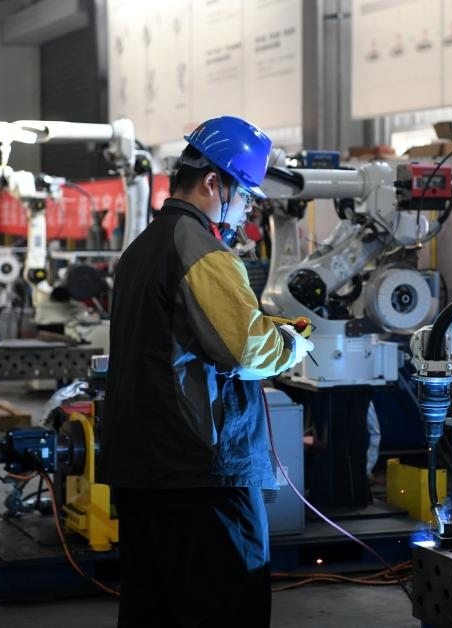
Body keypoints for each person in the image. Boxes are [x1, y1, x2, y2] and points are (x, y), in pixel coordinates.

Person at [102, 116, 313, 627]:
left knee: (153, 610)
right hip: (201, 475)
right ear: (213, 182)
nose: (245, 212)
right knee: (227, 606)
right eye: (243, 197)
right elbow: (248, 351)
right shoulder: (200, 249)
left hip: (142, 468)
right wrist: (294, 342)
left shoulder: (140, 250)